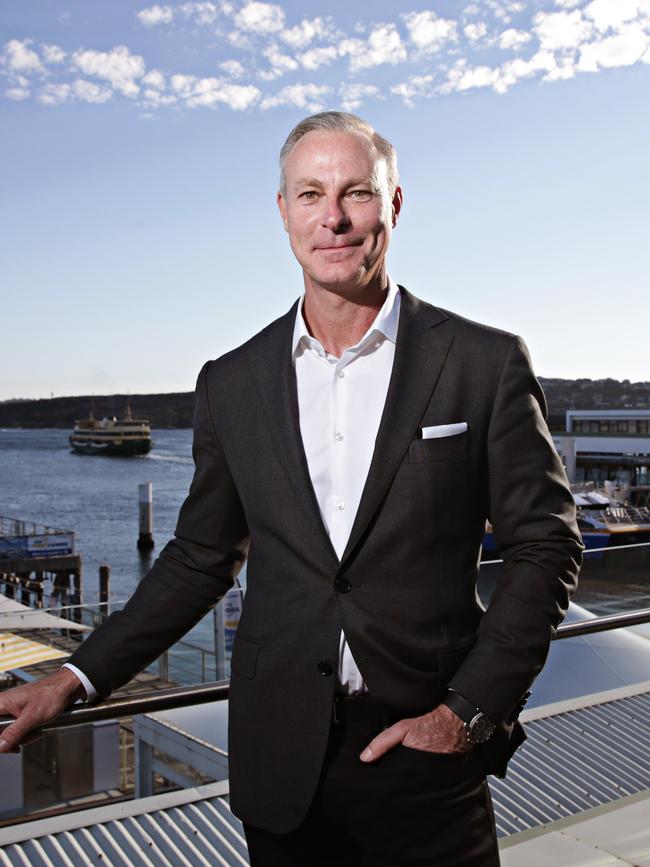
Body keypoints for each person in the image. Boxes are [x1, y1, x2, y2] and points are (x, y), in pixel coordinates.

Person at [0, 112, 582, 865]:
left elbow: (545, 544)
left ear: (394, 205)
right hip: (280, 758)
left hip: (427, 757)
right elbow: (200, 557)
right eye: (310, 194)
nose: (333, 217)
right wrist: (73, 679)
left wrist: (466, 714)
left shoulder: (483, 362)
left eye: (356, 193)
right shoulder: (232, 382)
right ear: (283, 213)